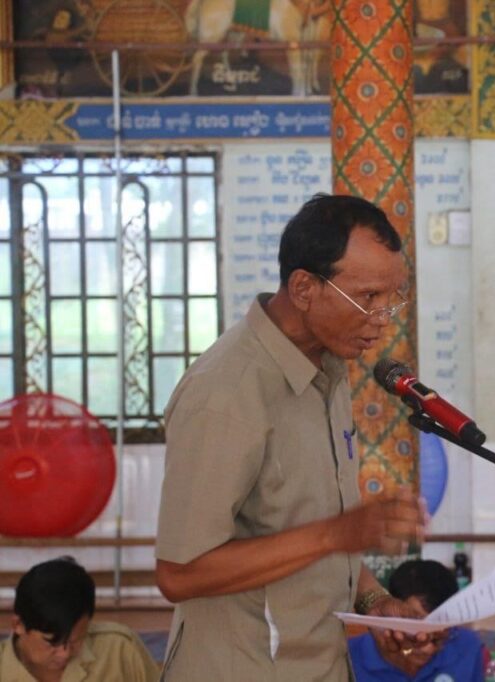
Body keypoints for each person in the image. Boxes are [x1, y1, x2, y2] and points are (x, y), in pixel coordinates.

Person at [154, 194, 429, 681]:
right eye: (368, 297)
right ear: (304, 287)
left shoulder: (329, 368)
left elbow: (305, 529)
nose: (383, 317)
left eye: (392, 297)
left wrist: (375, 602)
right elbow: (179, 573)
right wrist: (338, 534)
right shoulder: (226, 393)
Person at [0, 557, 160, 682]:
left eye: (76, 640)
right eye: (52, 643)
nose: (64, 654)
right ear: (18, 625)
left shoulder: (118, 650)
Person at [350, 559, 487, 681]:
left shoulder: (467, 647)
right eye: (415, 629)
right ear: (388, 616)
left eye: (438, 638)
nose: (427, 649)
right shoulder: (349, 657)